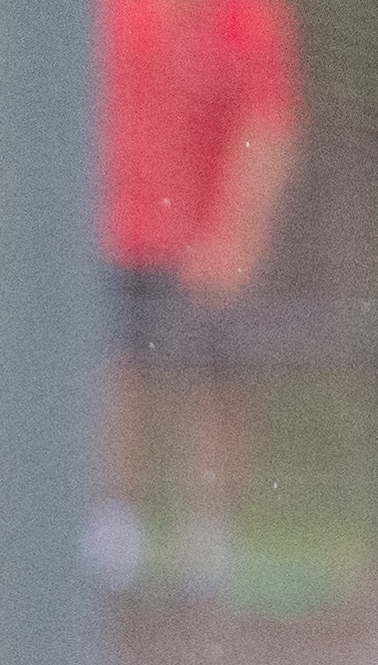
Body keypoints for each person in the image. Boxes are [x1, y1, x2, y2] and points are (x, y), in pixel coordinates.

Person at [96, 0, 302, 599]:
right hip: (114, 230)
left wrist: (235, 238)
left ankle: (207, 546)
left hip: (206, 233)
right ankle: (114, 540)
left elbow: (268, 127)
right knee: (110, 369)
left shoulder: (249, 14)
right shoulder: (109, 14)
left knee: (216, 377)